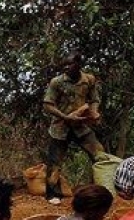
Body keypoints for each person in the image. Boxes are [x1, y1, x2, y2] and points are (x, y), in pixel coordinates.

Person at [42, 51, 106, 205]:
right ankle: (52, 194)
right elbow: (48, 105)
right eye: (64, 65)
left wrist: (94, 112)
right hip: (60, 127)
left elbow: (94, 99)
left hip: (81, 126)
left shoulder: (89, 80)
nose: (66, 68)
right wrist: (65, 117)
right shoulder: (56, 82)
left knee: (99, 154)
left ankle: (100, 188)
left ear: (78, 65)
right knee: (55, 162)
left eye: (70, 64)